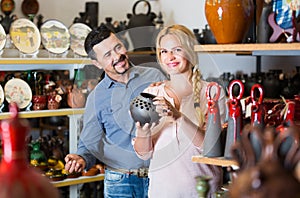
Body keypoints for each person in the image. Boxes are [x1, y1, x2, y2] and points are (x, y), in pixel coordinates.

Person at [64, 24, 166, 197]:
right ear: (97, 63)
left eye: (118, 47)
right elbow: (89, 144)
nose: (117, 56)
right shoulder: (97, 97)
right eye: (107, 54)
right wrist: (80, 158)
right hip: (120, 182)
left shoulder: (155, 77)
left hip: (160, 176)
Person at [133, 24, 227, 197]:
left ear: (190, 51)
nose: (170, 57)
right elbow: (144, 155)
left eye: (177, 49)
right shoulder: (151, 94)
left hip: (202, 191)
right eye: (164, 51)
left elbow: (211, 148)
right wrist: (142, 132)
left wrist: (178, 117)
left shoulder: (212, 92)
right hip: (162, 191)